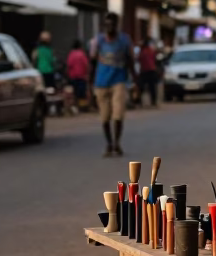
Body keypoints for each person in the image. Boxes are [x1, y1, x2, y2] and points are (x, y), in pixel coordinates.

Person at [90, 12, 138, 157]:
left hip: (119, 81)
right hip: (101, 82)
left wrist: (136, 80)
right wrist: (89, 85)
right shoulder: (97, 41)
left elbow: (130, 61)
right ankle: (109, 143)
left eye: (112, 24)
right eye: (107, 24)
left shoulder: (124, 40)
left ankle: (117, 142)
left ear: (117, 25)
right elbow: (92, 63)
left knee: (118, 113)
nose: (109, 27)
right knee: (104, 116)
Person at [65, 39, 90, 112]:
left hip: (73, 76)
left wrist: (67, 74)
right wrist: (87, 74)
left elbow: (69, 65)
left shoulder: (71, 54)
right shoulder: (82, 54)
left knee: (74, 93)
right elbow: (86, 65)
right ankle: (82, 108)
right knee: (82, 93)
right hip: (81, 76)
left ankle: (75, 107)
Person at [137, 37, 159, 107]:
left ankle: (140, 101)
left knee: (141, 87)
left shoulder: (143, 51)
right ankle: (153, 101)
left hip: (145, 70)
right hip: (151, 70)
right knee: (152, 87)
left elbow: (139, 59)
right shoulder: (151, 50)